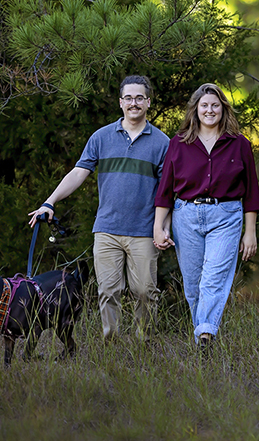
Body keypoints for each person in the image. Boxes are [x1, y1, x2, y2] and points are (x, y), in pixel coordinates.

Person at [27, 75, 170, 341]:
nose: (134, 103)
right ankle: (111, 344)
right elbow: (78, 173)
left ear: (148, 102)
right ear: (120, 102)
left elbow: (167, 193)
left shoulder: (162, 143)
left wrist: (162, 228)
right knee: (108, 290)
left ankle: (143, 342)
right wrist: (50, 201)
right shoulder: (101, 137)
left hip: (144, 231)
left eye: (140, 98)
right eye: (128, 98)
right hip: (107, 230)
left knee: (144, 291)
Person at [152, 83, 259, 346]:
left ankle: (205, 335)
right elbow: (165, 189)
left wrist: (250, 232)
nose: (210, 110)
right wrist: (159, 226)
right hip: (186, 216)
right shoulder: (179, 143)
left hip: (226, 215)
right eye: (204, 106)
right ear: (195, 109)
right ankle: (203, 336)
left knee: (213, 280)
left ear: (223, 109)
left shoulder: (239, 144)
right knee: (193, 286)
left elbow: (252, 194)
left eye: (215, 105)